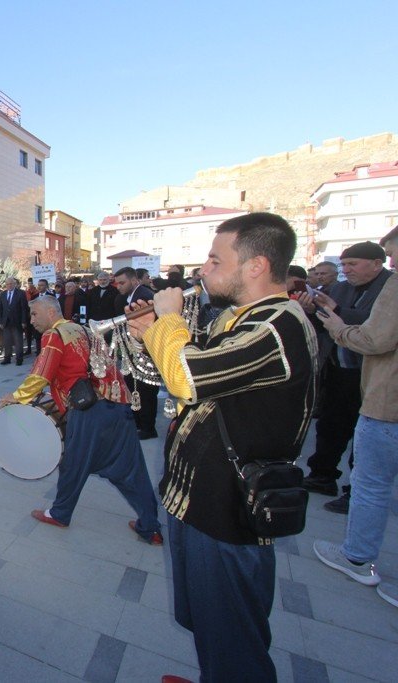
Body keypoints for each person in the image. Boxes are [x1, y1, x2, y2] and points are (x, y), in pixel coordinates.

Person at [128, 212, 316, 681]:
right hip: (199, 499)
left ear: (255, 266)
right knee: (210, 621)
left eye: (215, 259)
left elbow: (186, 378)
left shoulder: (277, 328)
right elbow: (173, 376)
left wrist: (167, 321)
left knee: (235, 636)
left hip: (227, 509)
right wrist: (148, 333)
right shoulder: (239, 318)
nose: (202, 270)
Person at [0, 295, 162, 542]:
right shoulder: (84, 329)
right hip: (118, 404)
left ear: (52, 313)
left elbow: (41, 374)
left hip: (89, 410)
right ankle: (151, 526)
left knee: (73, 464)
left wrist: (16, 397)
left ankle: (60, 513)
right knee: (132, 469)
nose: (31, 320)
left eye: (35, 314)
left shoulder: (54, 334)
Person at [311, 261, 398, 608]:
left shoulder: (391, 285)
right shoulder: (347, 289)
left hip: (386, 400)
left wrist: (338, 327)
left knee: (371, 484)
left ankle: (357, 558)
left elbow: (376, 338)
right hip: (364, 388)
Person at [301, 243, 391, 505]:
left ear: (377, 263)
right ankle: (322, 475)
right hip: (338, 367)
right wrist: (312, 312)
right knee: (331, 424)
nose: (346, 270)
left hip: (371, 373)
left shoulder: (388, 289)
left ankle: (356, 490)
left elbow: (375, 325)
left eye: (353, 263)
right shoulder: (340, 288)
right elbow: (326, 323)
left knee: (363, 433)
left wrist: (338, 312)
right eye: (344, 264)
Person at [113, 266, 159, 439]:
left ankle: (148, 427)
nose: (119, 286)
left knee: (146, 391)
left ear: (134, 280)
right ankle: (138, 423)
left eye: (122, 283)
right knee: (134, 388)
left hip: (145, 352)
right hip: (134, 350)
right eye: (117, 283)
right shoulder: (128, 297)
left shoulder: (144, 297)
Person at [0, 277, 28, 366]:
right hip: (6, 321)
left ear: (14, 284)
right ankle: (7, 358)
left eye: (11, 284)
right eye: (7, 284)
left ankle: (19, 359)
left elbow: (24, 309)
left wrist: (23, 321)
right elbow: (0, 309)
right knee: (6, 341)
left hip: (17, 321)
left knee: (18, 341)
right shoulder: (3, 294)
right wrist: (1, 322)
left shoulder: (21, 293)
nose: (9, 286)